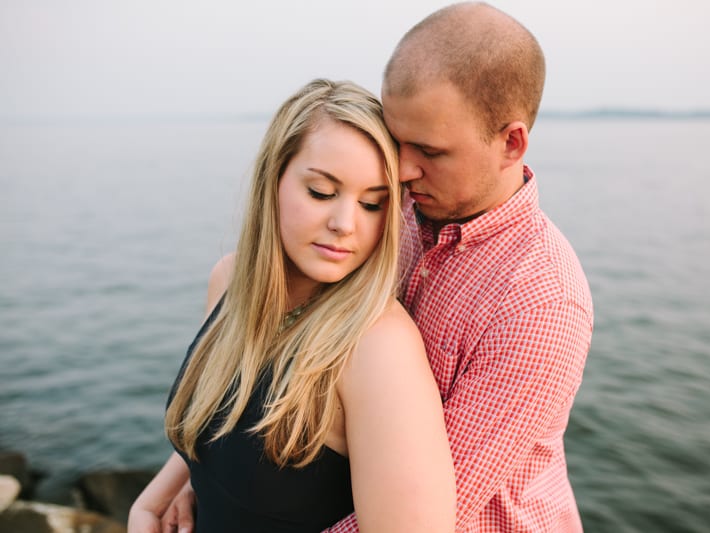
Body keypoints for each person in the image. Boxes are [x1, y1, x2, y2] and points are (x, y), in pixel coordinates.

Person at [166, 1, 594, 531]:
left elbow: (425, 513)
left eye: (429, 150)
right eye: (397, 140)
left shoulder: (540, 301)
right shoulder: (400, 204)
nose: (403, 169)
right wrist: (202, 476)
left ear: (511, 143)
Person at [127, 79, 456, 533]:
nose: (345, 224)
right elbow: (222, 423)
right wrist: (152, 501)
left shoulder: (377, 346)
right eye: (321, 192)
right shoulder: (228, 281)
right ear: (273, 179)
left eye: (372, 204)